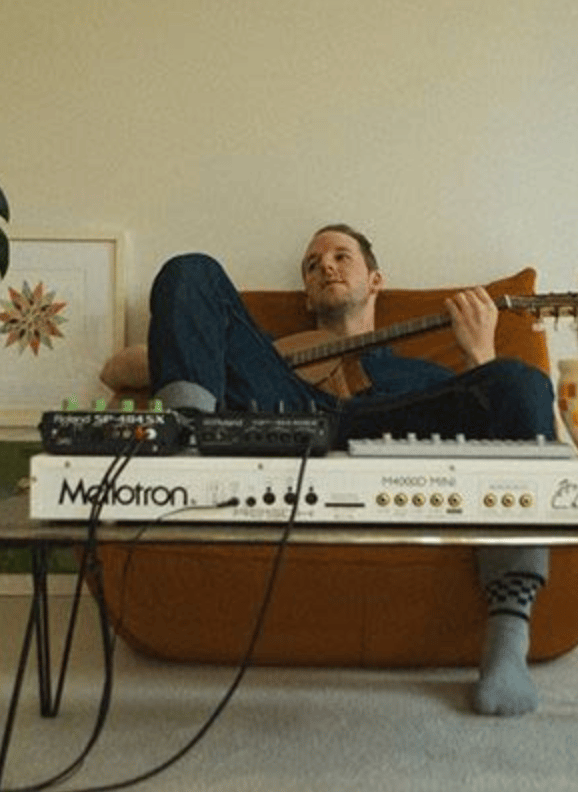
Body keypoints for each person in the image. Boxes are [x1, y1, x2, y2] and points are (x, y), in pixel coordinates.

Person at [148, 223, 555, 716]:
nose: (326, 266)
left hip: (391, 421)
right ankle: (183, 455)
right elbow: (119, 367)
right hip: (290, 409)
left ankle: (509, 633)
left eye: (341, 256)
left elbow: (493, 413)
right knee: (191, 269)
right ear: (307, 295)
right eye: (312, 265)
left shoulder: (423, 372)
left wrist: (480, 354)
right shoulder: (272, 352)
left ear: (375, 280)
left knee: (522, 381)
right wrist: (209, 351)